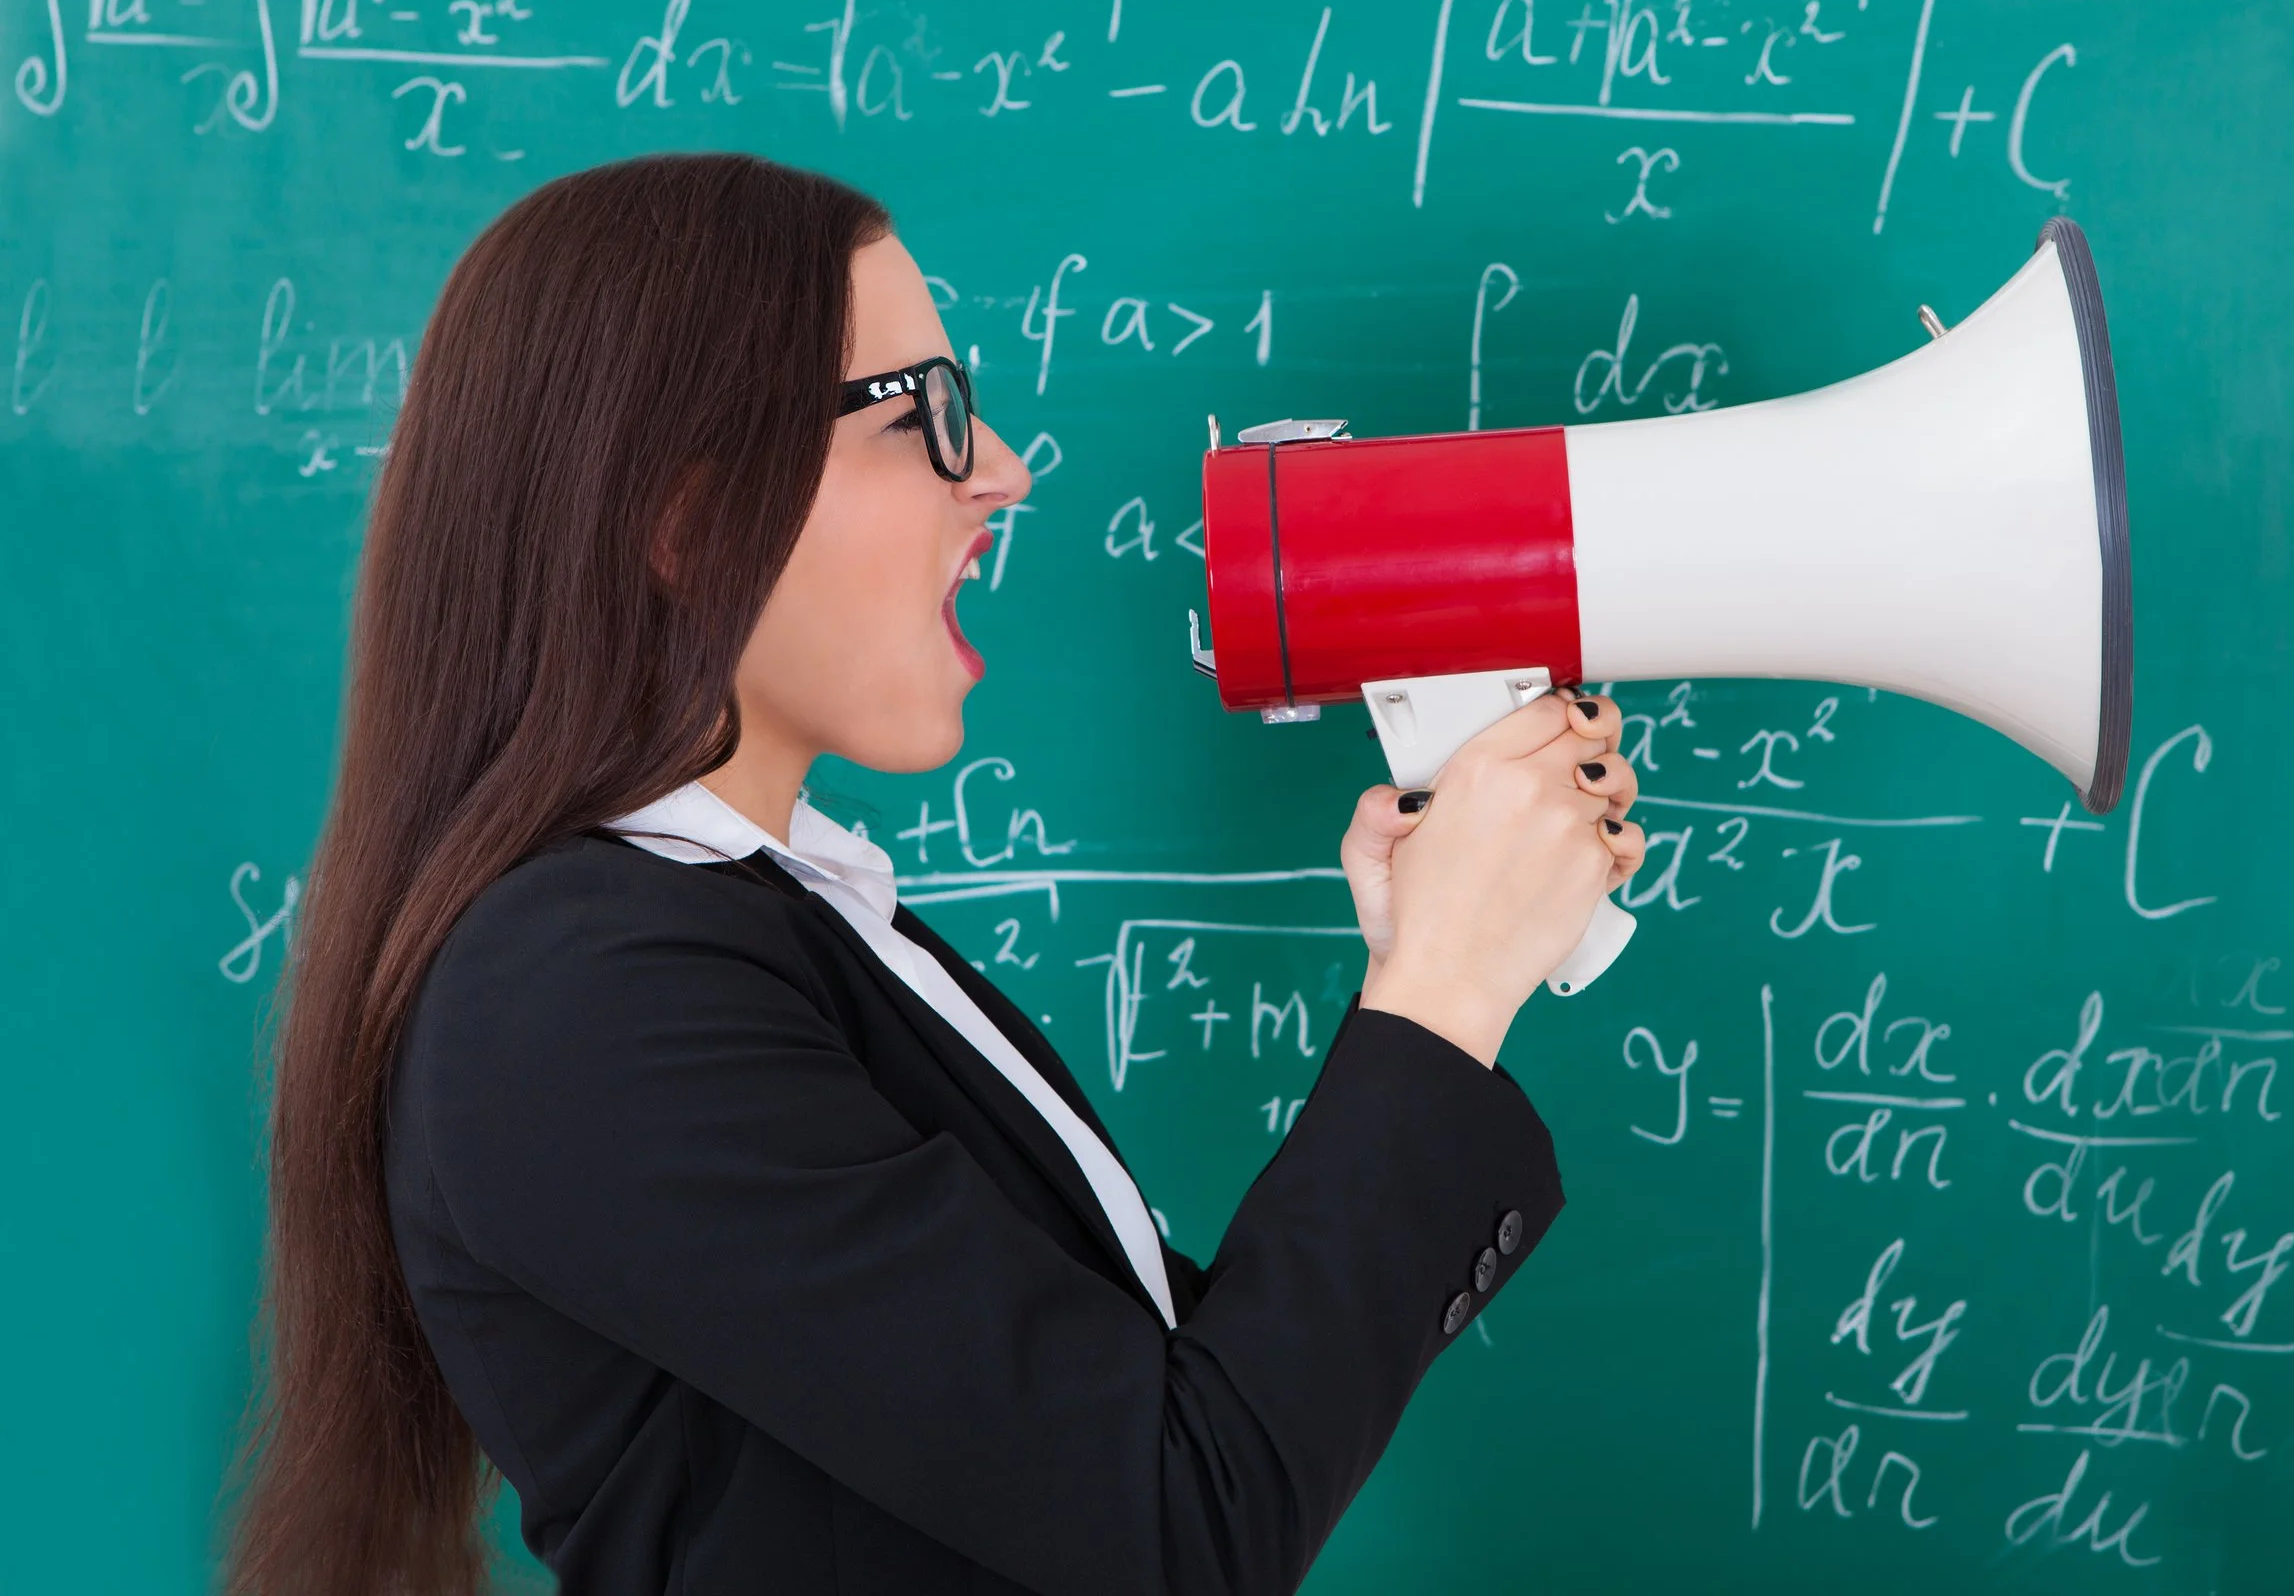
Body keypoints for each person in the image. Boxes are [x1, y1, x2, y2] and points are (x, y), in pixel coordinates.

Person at [223, 151, 1644, 1596]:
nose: (1003, 471)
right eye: (925, 417)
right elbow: (1175, 1521)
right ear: (685, 521)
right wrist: (1441, 995)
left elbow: (1162, 1418)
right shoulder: (580, 998)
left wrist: (1431, 965)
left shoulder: (760, 930)